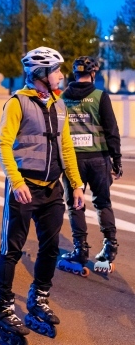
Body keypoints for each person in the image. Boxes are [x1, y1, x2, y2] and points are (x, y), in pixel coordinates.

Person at [0, 47, 85, 342]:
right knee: (11, 251)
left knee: (50, 248)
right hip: (24, 188)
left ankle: (38, 297)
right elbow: (2, 145)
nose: (62, 75)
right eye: (57, 70)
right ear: (40, 75)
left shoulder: (59, 104)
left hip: (52, 189)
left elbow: (66, 147)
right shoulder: (18, 103)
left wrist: (77, 184)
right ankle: (3, 306)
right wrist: (16, 182)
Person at [57, 56, 123, 276]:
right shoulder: (99, 96)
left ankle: (80, 249)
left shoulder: (63, 97)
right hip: (98, 158)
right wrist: (117, 159)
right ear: (93, 73)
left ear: (74, 74)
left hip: (72, 161)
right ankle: (109, 246)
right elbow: (111, 129)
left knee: (75, 204)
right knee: (103, 202)